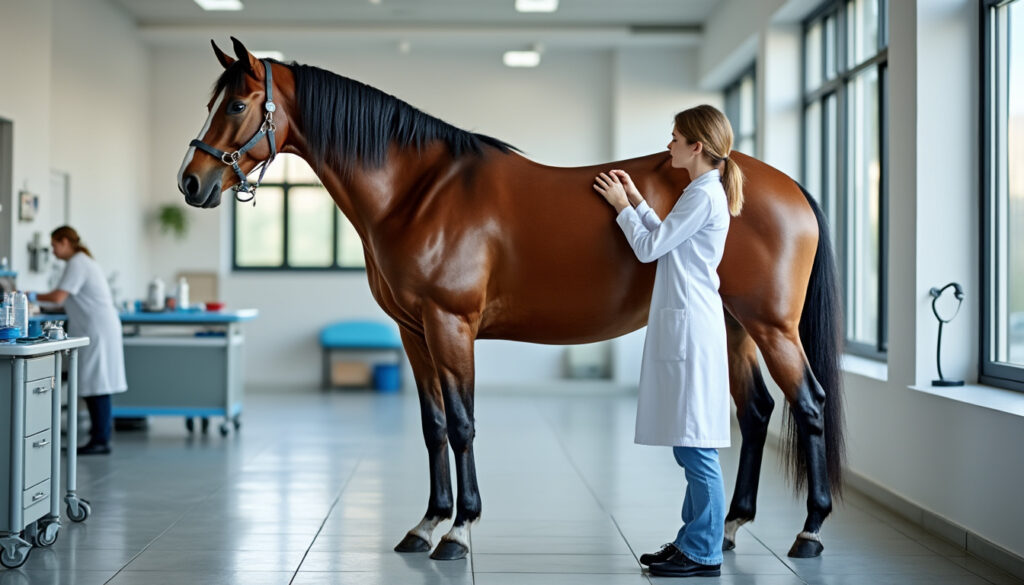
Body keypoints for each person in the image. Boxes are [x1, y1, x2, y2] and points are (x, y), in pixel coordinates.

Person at [592, 104, 743, 578]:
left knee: (697, 447)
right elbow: (668, 238)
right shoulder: (699, 191)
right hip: (688, 325)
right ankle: (690, 542)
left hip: (692, 329)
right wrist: (638, 200)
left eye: (675, 138)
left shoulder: (704, 195)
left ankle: (703, 551)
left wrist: (620, 207)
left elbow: (649, 249)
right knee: (687, 444)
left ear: (696, 146)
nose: (668, 144)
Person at [30, 226, 127, 455]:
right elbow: (68, 301)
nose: (53, 251)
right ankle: (99, 436)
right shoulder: (80, 262)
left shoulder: (78, 263)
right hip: (96, 328)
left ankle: (100, 440)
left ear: (65, 242)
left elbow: (58, 297)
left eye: (54, 245)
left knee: (98, 384)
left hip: (98, 329)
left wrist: (28, 295)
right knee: (96, 383)